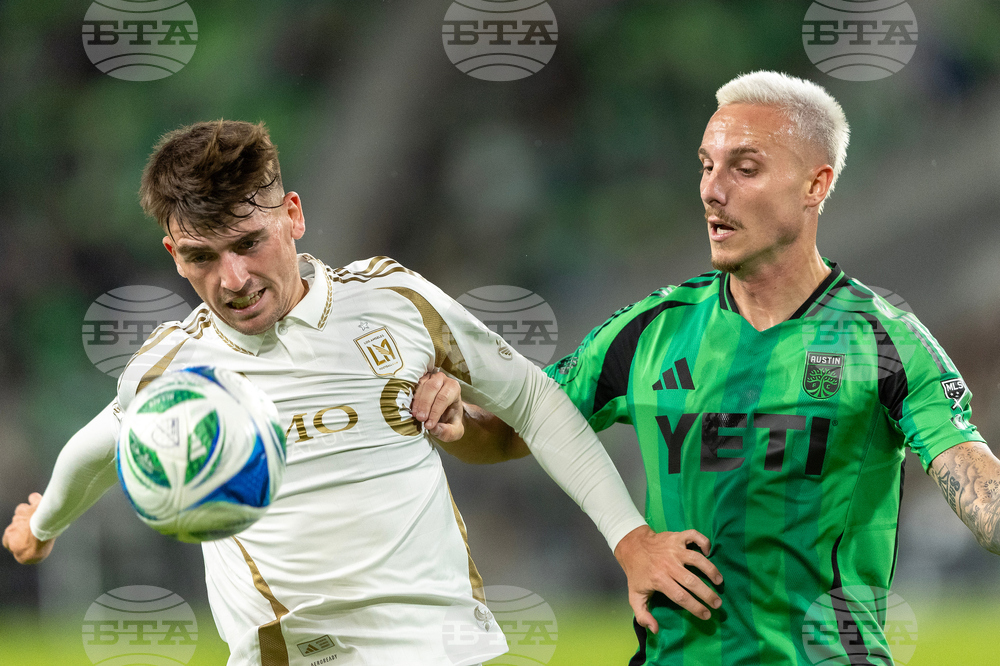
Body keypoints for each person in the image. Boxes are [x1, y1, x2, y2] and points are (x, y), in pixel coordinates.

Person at [2, 120, 714, 666]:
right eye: (201, 257)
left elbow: (531, 399)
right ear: (172, 254)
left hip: (440, 648)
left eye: (249, 242)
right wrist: (44, 526)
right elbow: (97, 448)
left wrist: (631, 540)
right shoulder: (171, 372)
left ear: (293, 216)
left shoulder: (394, 304)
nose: (232, 279)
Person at [413, 71, 1000, 665]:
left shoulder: (884, 343)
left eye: (745, 169)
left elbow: (975, 484)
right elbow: (516, 430)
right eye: (706, 166)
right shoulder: (650, 330)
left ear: (815, 185)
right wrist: (456, 420)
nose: (713, 191)